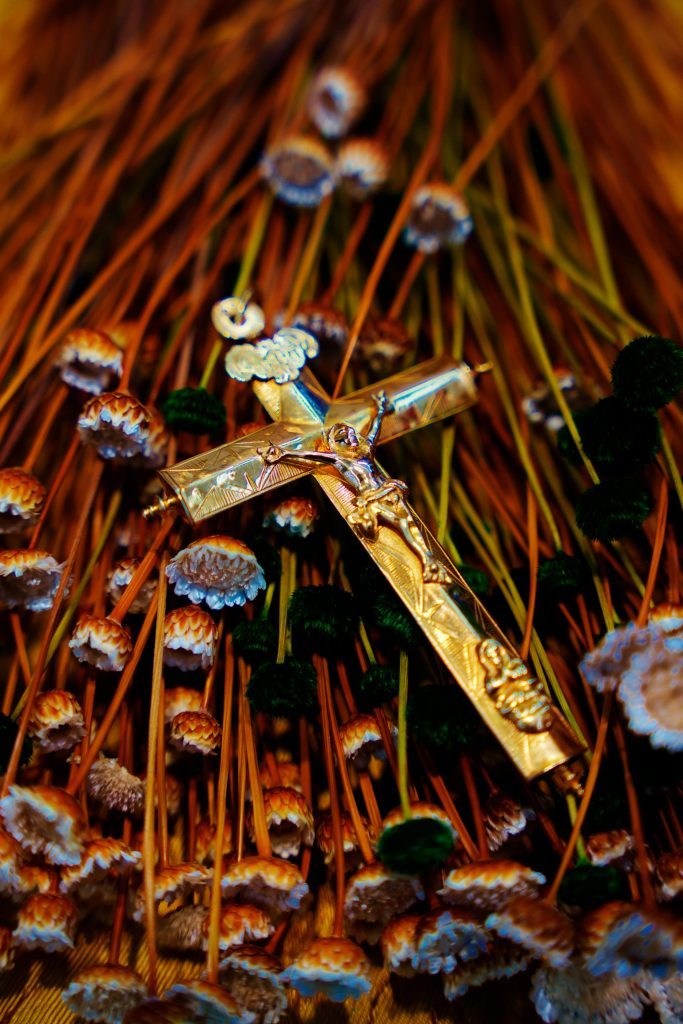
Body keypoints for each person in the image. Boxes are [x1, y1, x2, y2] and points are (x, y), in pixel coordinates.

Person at [258, 391, 452, 584]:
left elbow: (375, 428)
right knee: (396, 526)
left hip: (388, 491)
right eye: (343, 438)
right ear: (335, 444)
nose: (351, 439)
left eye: (351, 434)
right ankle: (425, 562)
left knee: (408, 524)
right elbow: (309, 455)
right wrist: (283, 453)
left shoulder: (366, 449)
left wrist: (381, 409)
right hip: (371, 501)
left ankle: (428, 560)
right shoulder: (339, 459)